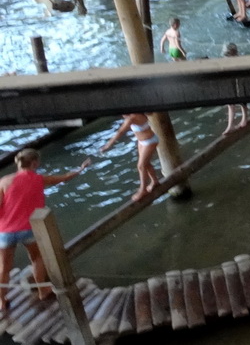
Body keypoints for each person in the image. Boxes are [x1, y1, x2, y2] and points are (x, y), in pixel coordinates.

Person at [0, 149, 90, 314]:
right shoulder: (40, 179)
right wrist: (81, 168)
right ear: (34, 163)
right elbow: (64, 178)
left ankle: (2, 301)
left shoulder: (4, 181)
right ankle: (42, 291)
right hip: (29, 229)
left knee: (4, 267)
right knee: (37, 258)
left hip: (5, 231)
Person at [100, 113, 160, 202]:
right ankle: (154, 181)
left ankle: (143, 190)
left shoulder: (132, 118)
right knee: (146, 164)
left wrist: (108, 145)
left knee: (141, 166)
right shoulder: (132, 116)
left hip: (149, 141)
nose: (122, 116)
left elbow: (120, 132)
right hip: (142, 142)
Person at [221, 43, 247, 134]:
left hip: (236, 88)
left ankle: (232, 125)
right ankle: (241, 120)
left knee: (232, 103)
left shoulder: (227, 62)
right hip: (240, 88)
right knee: (234, 103)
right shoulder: (239, 60)